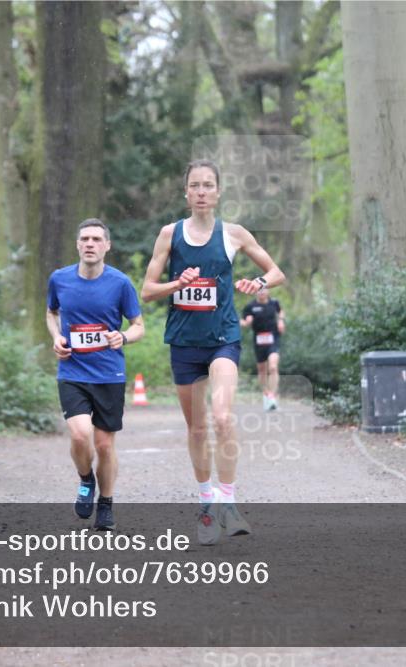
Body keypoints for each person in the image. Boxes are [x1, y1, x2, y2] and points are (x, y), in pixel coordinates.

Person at [141, 158, 285, 545]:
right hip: (184, 343)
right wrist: (176, 284)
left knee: (222, 417)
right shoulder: (170, 235)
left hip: (223, 338)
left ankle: (229, 503)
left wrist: (256, 282)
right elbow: (146, 291)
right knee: (197, 427)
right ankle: (206, 504)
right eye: (195, 186)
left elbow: (276, 272)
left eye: (208, 185)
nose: (202, 192)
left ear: (218, 193)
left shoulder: (234, 234)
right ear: (186, 193)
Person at [47, 219, 144, 531]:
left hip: (109, 374)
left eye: (96, 239)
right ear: (77, 244)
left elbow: (139, 325)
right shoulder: (59, 279)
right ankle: (86, 480)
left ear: (107, 246)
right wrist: (56, 337)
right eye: (85, 239)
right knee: (78, 434)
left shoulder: (120, 283)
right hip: (72, 371)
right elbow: (51, 312)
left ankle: (106, 503)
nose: (90, 244)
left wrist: (124, 337)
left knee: (104, 445)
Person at [240, 288, 285, 411]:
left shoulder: (274, 303)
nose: (261, 292)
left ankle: (272, 396)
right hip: (259, 340)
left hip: (273, 338)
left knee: (273, 367)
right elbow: (242, 321)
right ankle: (266, 394)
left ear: (268, 291)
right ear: (255, 292)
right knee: (262, 370)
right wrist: (246, 322)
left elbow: (280, 312)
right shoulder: (250, 306)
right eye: (259, 290)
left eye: (264, 289)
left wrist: (281, 321)